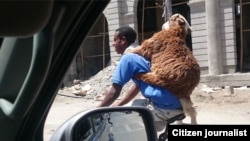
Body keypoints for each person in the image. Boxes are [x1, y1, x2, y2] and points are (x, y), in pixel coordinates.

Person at [98, 26, 183, 132]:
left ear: (123, 40)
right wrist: (120, 104)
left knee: (117, 119)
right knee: (131, 106)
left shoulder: (128, 58)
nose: (113, 44)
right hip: (176, 101)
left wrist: (97, 111)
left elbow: (114, 93)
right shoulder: (142, 52)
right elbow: (138, 85)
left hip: (164, 106)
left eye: (115, 40)